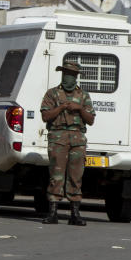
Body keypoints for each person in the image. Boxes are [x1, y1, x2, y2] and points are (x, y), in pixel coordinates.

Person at [40, 62, 96, 226]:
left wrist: (79, 108)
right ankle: (53, 212)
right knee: (56, 175)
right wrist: (62, 107)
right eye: (66, 73)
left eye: (72, 74)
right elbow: (45, 116)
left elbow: (91, 120)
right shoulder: (52, 94)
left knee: (76, 176)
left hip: (77, 139)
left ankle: (75, 214)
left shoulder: (83, 96)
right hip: (58, 137)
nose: (68, 77)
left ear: (76, 76)